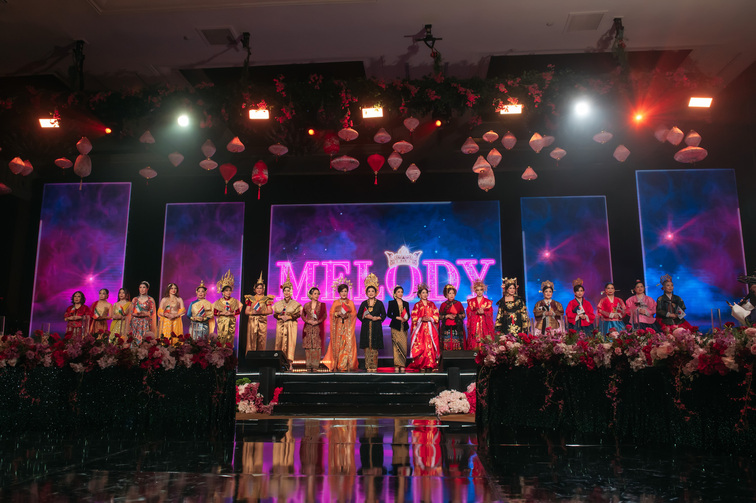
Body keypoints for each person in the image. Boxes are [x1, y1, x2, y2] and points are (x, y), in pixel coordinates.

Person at [323, 278, 358, 372]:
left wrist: (347, 315)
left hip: (347, 328)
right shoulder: (336, 303)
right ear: (339, 292)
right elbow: (331, 313)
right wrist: (337, 314)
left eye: (345, 291)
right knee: (339, 345)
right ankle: (337, 364)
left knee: (347, 345)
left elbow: (354, 314)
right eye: (342, 291)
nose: (344, 293)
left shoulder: (350, 302)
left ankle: (346, 365)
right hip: (338, 328)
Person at [357, 273, 387, 372]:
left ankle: (374, 366)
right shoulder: (363, 303)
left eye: (372, 291)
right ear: (366, 292)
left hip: (376, 327)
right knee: (367, 349)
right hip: (366, 328)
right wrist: (365, 317)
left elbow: (384, 315)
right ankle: (367, 366)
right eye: (369, 291)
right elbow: (359, 315)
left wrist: (376, 318)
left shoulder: (379, 303)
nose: (371, 293)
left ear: (376, 292)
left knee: (374, 348)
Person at [407, 284, 440, 372]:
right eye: (423, 293)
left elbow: (436, 315)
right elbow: (414, 316)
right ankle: (421, 364)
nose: (425, 294)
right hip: (421, 329)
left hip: (430, 328)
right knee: (422, 345)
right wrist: (421, 319)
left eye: (426, 293)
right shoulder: (417, 305)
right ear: (419, 294)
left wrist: (431, 318)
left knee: (430, 345)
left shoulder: (431, 304)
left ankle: (430, 363)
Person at [272, 275, 302, 369]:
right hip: (281, 324)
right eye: (285, 291)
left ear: (291, 291)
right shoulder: (278, 303)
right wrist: (280, 316)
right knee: (279, 342)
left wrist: (289, 317)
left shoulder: (295, 304)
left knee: (290, 342)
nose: (286, 292)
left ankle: (290, 363)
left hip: (291, 325)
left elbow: (298, 314)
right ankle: (279, 362)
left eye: (288, 290)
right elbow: (275, 314)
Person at [245, 272, 274, 352]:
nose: (259, 289)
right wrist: (252, 313)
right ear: (255, 289)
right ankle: (251, 356)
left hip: (262, 321)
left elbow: (270, 311)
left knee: (261, 339)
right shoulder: (250, 298)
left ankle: (260, 356)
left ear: (263, 289)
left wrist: (261, 312)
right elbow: (246, 311)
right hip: (252, 321)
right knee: (251, 339)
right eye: (257, 288)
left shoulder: (266, 299)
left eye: (260, 288)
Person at [213, 270, 242, 345]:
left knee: (229, 338)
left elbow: (238, 311)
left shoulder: (234, 301)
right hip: (222, 322)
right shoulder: (219, 301)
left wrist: (231, 313)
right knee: (221, 338)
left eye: (229, 290)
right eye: (226, 290)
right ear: (223, 292)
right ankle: (220, 350)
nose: (228, 292)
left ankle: (229, 350)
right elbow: (215, 312)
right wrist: (222, 313)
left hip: (230, 322)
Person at [301, 286, 326, 371]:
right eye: (315, 294)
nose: (316, 295)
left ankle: (315, 366)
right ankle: (308, 365)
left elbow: (324, 315)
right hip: (308, 328)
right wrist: (307, 321)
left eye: (318, 294)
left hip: (317, 328)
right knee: (308, 346)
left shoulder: (321, 305)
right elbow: (302, 315)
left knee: (316, 346)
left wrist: (318, 322)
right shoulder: (306, 305)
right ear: (311, 295)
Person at [386, 285, 410, 373]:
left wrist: (406, 318)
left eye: (401, 292)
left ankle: (402, 364)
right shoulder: (391, 302)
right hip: (395, 326)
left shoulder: (406, 303)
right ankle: (397, 365)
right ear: (395, 293)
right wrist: (397, 317)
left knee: (403, 346)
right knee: (396, 346)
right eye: (398, 292)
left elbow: (408, 315)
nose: (400, 293)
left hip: (404, 327)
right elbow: (389, 314)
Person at [465, 279, 493, 349]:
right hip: (475, 324)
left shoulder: (488, 302)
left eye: (481, 290)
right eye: (477, 290)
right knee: (474, 338)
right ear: (475, 291)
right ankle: (474, 351)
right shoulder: (471, 302)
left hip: (484, 324)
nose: (479, 292)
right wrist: (476, 312)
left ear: (483, 290)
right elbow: (468, 312)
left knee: (485, 338)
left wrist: (484, 312)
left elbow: (490, 313)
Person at [439, 284, 465, 350]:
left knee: (457, 344)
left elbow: (463, 315)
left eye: (453, 293)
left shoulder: (458, 303)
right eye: (450, 293)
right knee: (446, 344)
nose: (451, 295)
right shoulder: (443, 305)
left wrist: (457, 316)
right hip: (446, 327)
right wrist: (447, 316)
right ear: (446, 294)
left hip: (457, 326)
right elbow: (439, 316)